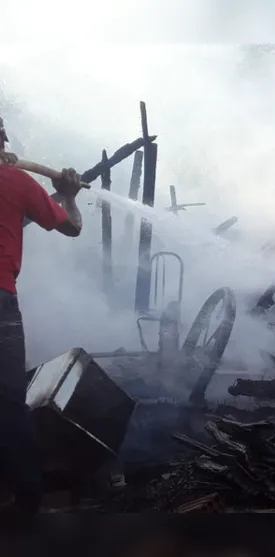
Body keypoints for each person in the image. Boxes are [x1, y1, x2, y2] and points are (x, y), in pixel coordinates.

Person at [0, 115, 83, 513]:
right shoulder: (17, 183)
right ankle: (28, 503)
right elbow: (71, 227)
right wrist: (67, 195)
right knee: (8, 401)